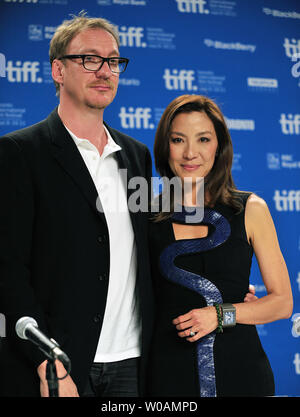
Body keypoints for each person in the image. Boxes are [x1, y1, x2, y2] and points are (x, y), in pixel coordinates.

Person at [0, 13, 154, 397]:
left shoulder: (135, 156)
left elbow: (146, 251)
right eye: (89, 59)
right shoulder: (19, 153)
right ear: (58, 70)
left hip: (131, 365)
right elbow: (7, 270)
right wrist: (46, 361)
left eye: (113, 61)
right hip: (59, 365)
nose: (105, 71)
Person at [147, 94, 293, 397]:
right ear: (165, 147)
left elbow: (282, 303)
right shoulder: (146, 216)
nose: (190, 153)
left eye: (203, 139)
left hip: (240, 373)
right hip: (167, 375)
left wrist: (220, 314)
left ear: (219, 147)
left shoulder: (250, 209)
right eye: (178, 140)